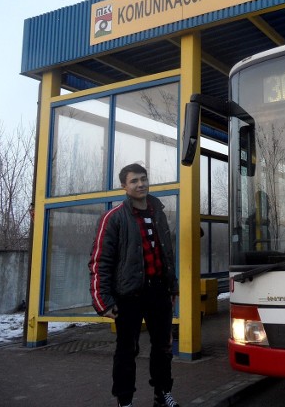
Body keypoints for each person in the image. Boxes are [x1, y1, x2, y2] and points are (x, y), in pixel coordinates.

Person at [89, 163, 180, 407]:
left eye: (143, 178)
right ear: (124, 186)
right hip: (128, 296)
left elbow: (166, 254)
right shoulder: (114, 217)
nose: (140, 184)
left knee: (163, 348)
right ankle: (125, 401)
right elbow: (100, 261)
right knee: (127, 351)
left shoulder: (158, 213)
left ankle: (162, 394)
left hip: (158, 292)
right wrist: (103, 301)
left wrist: (172, 287)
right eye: (134, 181)